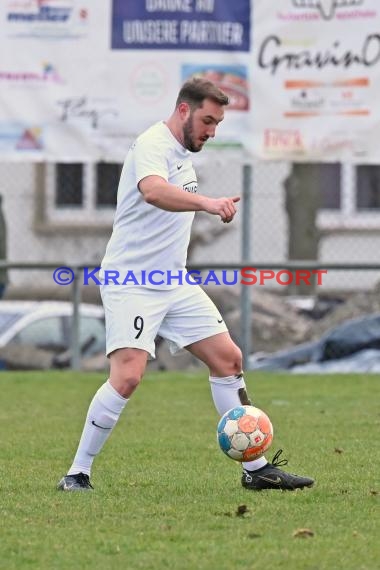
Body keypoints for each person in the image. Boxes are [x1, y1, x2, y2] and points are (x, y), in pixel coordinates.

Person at [57, 78, 314, 492]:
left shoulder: (183, 151)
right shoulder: (152, 145)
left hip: (172, 281)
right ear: (183, 110)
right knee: (128, 376)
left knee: (228, 359)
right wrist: (209, 203)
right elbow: (154, 192)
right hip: (133, 280)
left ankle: (257, 469)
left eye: (218, 123)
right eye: (208, 121)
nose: (212, 131)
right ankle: (77, 473)